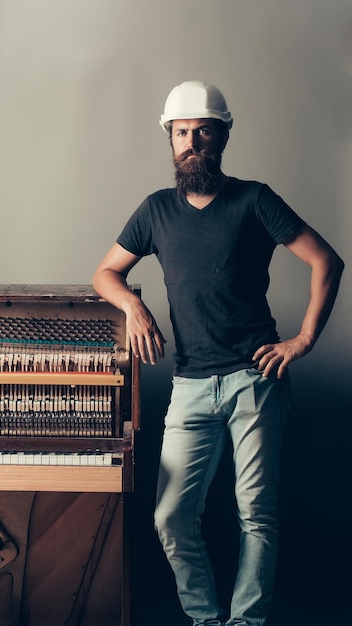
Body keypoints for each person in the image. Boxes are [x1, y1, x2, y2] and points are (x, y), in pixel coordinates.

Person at [92, 80, 344, 626]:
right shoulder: (155, 210)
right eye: (181, 132)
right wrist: (135, 309)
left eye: (202, 131)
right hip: (189, 385)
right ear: (170, 139)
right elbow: (105, 273)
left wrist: (302, 340)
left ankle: (246, 623)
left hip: (255, 379)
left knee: (256, 514)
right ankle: (206, 620)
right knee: (171, 516)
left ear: (222, 135)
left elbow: (328, 261)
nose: (191, 142)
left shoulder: (255, 199)